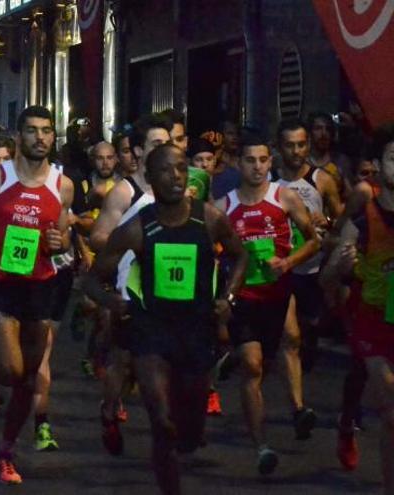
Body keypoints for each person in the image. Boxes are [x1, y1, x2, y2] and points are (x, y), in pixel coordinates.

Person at [89, 143, 248, 495]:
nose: (176, 177)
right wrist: (111, 302)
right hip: (151, 331)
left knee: (188, 434)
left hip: (196, 330)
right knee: (162, 422)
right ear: (150, 177)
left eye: (181, 168)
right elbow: (91, 278)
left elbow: (240, 257)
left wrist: (228, 298)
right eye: (165, 170)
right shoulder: (136, 227)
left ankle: (186, 433)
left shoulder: (209, 218)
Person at [0, 105, 74, 484]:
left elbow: (64, 236)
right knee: (11, 368)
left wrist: (60, 241)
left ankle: (5, 451)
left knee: (30, 378)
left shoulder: (62, 184)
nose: (40, 137)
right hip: (2, 285)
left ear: (53, 137)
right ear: (19, 137)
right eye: (32, 130)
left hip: (41, 285)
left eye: (46, 131)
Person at [214, 133, 319, 475]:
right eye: (249, 160)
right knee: (253, 365)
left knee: (280, 352)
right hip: (242, 298)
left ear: (270, 162)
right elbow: (207, 255)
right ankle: (261, 447)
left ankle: (296, 407)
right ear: (238, 163)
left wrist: (288, 263)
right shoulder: (223, 207)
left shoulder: (284, 197)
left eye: (262, 160)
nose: (257, 167)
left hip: (278, 295)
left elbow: (315, 241)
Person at [88, 114, 172, 455]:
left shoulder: (178, 187)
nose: (165, 150)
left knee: (168, 361)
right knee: (124, 363)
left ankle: (166, 432)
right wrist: (131, 243)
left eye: (169, 143)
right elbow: (97, 237)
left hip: (170, 286)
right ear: (139, 151)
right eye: (156, 144)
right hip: (132, 288)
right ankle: (109, 411)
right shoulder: (125, 191)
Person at [321, 124, 394, 489]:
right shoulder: (365, 214)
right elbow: (327, 279)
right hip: (374, 321)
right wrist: (341, 266)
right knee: (389, 406)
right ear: (378, 164)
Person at [275, 120, 343, 381]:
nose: (296, 151)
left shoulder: (321, 179)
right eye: (290, 145)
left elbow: (342, 220)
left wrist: (328, 222)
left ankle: (307, 349)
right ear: (280, 147)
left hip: (313, 265)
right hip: (282, 264)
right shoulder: (272, 180)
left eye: (301, 144)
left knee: (310, 323)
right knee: (289, 332)